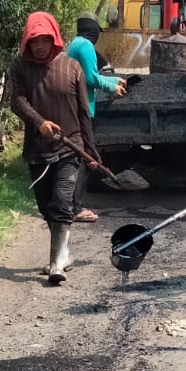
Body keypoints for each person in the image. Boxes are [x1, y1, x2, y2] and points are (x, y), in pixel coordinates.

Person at [8, 11, 94, 285]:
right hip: (38, 149)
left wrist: (91, 151)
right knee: (46, 206)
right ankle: (64, 254)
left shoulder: (71, 67)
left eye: (45, 39)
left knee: (61, 201)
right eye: (35, 41)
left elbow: (84, 112)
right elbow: (17, 101)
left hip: (71, 146)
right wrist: (39, 123)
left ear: (55, 38)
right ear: (27, 42)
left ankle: (57, 264)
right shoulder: (20, 67)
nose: (40, 46)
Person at [65, 13, 127, 223]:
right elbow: (90, 78)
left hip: (75, 105)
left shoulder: (76, 44)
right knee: (86, 156)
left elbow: (90, 74)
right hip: (82, 108)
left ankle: (71, 203)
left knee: (80, 155)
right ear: (92, 30)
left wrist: (114, 79)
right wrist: (112, 88)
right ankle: (75, 207)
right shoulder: (86, 46)